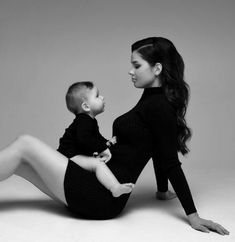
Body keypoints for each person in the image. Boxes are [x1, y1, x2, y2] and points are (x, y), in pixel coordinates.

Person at [0, 37, 229, 235]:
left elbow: (169, 161)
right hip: (94, 187)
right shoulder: (152, 99)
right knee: (19, 163)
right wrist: (161, 191)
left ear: (157, 69)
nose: (131, 71)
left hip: (100, 195)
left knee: (25, 144)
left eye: (136, 65)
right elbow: (156, 147)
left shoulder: (159, 107)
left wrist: (193, 216)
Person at [57, 81, 134, 197]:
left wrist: (107, 143)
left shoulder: (89, 120)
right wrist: (103, 148)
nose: (102, 97)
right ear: (86, 106)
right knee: (97, 164)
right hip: (68, 156)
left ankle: (103, 185)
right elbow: (85, 139)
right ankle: (115, 188)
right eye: (97, 96)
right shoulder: (83, 121)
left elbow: (96, 137)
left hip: (73, 155)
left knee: (95, 162)